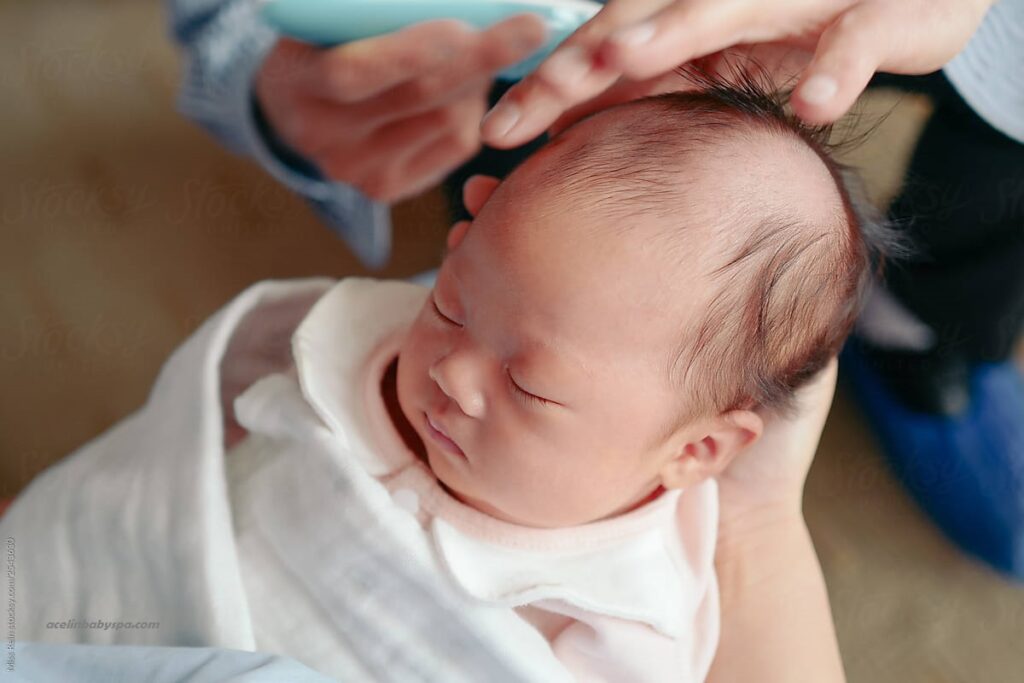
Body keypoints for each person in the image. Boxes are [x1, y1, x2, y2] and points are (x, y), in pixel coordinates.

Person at [1, 80, 873, 680]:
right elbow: (223, 421)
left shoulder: (629, 606)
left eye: (530, 388)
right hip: (149, 568)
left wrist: (759, 518)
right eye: (451, 303)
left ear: (700, 448)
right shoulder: (369, 341)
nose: (453, 372)